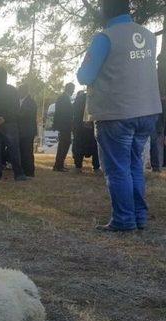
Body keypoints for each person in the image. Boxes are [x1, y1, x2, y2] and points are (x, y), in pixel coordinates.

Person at [77, 0, 161, 232]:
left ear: (105, 11)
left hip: (116, 113)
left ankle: (124, 220)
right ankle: (139, 217)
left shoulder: (105, 37)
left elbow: (84, 76)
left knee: (117, 169)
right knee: (134, 165)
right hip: (147, 111)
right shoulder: (149, 36)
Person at [0, 68, 27, 181]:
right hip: (9, 122)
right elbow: (16, 108)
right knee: (13, 148)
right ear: (6, 77)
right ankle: (18, 174)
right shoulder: (12, 90)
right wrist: (4, 118)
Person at [72, 90, 100, 173]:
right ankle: (96, 167)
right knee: (95, 148)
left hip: (80, 128)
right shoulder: (96, 98)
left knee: (79, 147)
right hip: (92, 127)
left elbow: (75, 113)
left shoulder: (78, 100)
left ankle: (78, 166)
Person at [52, 83, 75, 172]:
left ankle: (60, 164)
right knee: (63, 144)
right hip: (64, 125)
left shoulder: (65, 98)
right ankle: (58, 165)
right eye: (72, 89)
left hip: (66, 125)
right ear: (68, 89)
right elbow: (61, 113)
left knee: (65, 144)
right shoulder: (63, 98)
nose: (73, 91)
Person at [17, 83, 38, 177]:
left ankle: (29, 172)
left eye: (20, 90)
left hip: (27, 131)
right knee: (22, 151)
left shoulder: (31, 102)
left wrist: (14, 115)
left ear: (24, 91)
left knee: (27, 152)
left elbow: (26, 115)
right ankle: (23, 170)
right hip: (21, 131)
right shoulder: (19, 101)